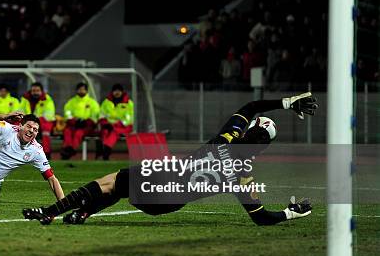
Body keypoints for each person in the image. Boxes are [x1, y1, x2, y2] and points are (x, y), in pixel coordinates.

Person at [23, 92, 318, 226]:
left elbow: (251, 105)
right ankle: (83, 213)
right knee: (120, 185)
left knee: (112, 181)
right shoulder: (244, 174)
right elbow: (262, 218)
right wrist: (292, 212)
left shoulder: (225, 139)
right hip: (168, 205)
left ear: (250, 129)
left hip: (163, 181)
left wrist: (287, 103)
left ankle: (51, 211)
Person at [60, 82, 100, 160]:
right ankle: (67, 148)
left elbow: (95, 115)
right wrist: (73, 121)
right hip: (73, 124)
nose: (81, 91)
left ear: (86, 91)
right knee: (67, 131)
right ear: (76, 90)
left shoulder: (92, 103)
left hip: (87, 126)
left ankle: (71, 150)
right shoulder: (71, 102)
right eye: (79, 89)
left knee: (79, 133)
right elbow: (67, 113)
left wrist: (86, 122)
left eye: (83, 89)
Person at [97, 84, 134, 160]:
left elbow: (130, 119)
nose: (117, 92)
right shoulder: (106, 102)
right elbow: (101, 115)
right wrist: (106, 124)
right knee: (104, 132)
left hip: (125, 127)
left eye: (119, 91)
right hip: (109, 126)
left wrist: (116, 124)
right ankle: (103, 152)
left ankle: (106, 150)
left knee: (114, 131)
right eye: (115, 91)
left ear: (122, 92)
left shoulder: (129, 103)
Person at [19, 82, 56, 159]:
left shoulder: (47, 99)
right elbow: (20, 111)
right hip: (29, 121)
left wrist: (35, 120)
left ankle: (46, 153)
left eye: (37, 90)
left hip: (43, 122)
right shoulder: (25, 99)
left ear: (41, 91)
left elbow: (49, 115)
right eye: (33, 90)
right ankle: (21, 152)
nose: (35, 92)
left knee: (45, 129)